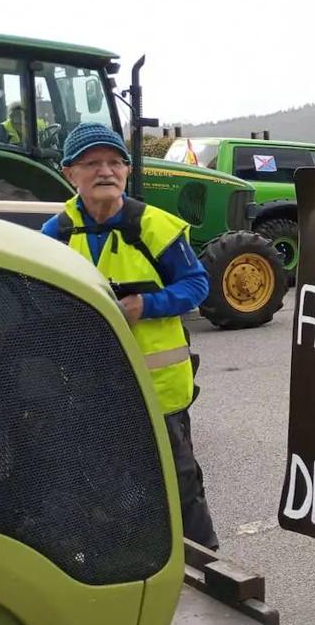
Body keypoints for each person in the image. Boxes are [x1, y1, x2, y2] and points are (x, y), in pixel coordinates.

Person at [41, 122, 219, 549]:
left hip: (158, 390)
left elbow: (197, 285)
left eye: (114, 162)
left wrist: (146, 305)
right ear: (70, 173)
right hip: (90, 391)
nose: (106, 171)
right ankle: (134, 561)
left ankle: (210, 569)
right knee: (105, 484)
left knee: (178, 484)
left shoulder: (154, 227)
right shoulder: (56, 233)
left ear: (125, 171)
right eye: (92, 163)